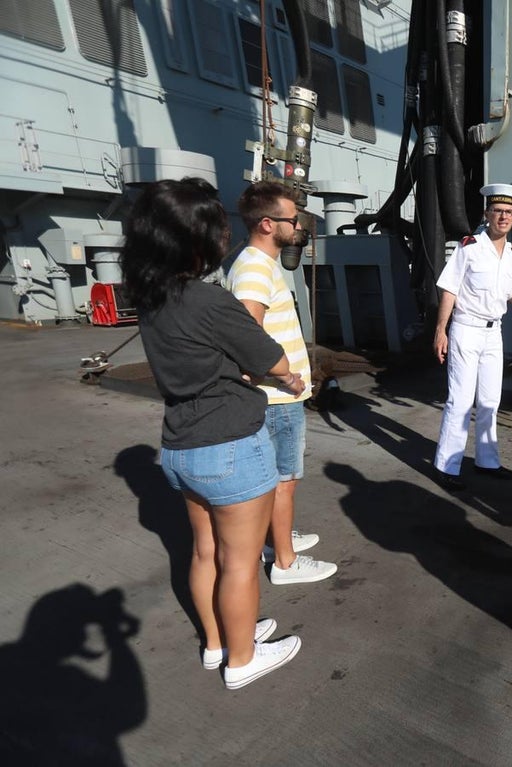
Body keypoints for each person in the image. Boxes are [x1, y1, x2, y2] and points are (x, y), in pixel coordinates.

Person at [120, 177, 305, 690]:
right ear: (196, 240)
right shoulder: (208, 300)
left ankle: (219, 642)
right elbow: (274, 359)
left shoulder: (152, 299)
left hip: (180, 446)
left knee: (205, 553)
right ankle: (243, 660)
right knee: (241, 563)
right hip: (230, 444)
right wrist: (287, 376)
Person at [228, 181, 338, 586]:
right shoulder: (255, 267)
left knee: (280, 481)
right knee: (283, 482)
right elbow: (247, 334)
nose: (299, 226)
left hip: (278, 397)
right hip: (277, 400)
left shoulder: (260, 263)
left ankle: (277, 540)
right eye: (293, 219)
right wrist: (287, 377)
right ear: (268, 224)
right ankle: (285, 564)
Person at [432, 183, 512, 491]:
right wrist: (441, 330)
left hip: (493, 332)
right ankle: (446, 466)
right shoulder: (469, 247)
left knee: (490, 400)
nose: (503, 217)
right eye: (498, 211)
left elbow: (511, 296)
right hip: (465, 327)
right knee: (460, 400)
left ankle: (487, 461)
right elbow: (449, 288)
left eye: (509, 212)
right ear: (487, 214)